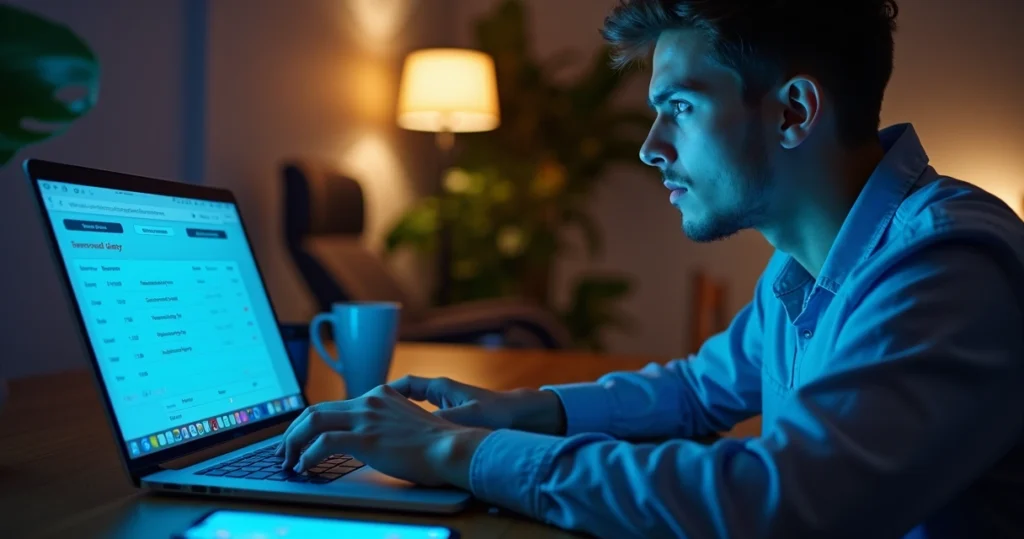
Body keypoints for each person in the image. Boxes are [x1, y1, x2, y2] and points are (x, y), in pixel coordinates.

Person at [277, 0, 1024, 537]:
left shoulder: (945, 266)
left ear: (794, 112)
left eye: (680, 107)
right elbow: (698, 389)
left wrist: (451, 447)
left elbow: (778, 502)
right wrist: (522, 410)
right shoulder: (803, 269)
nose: (651, 145)